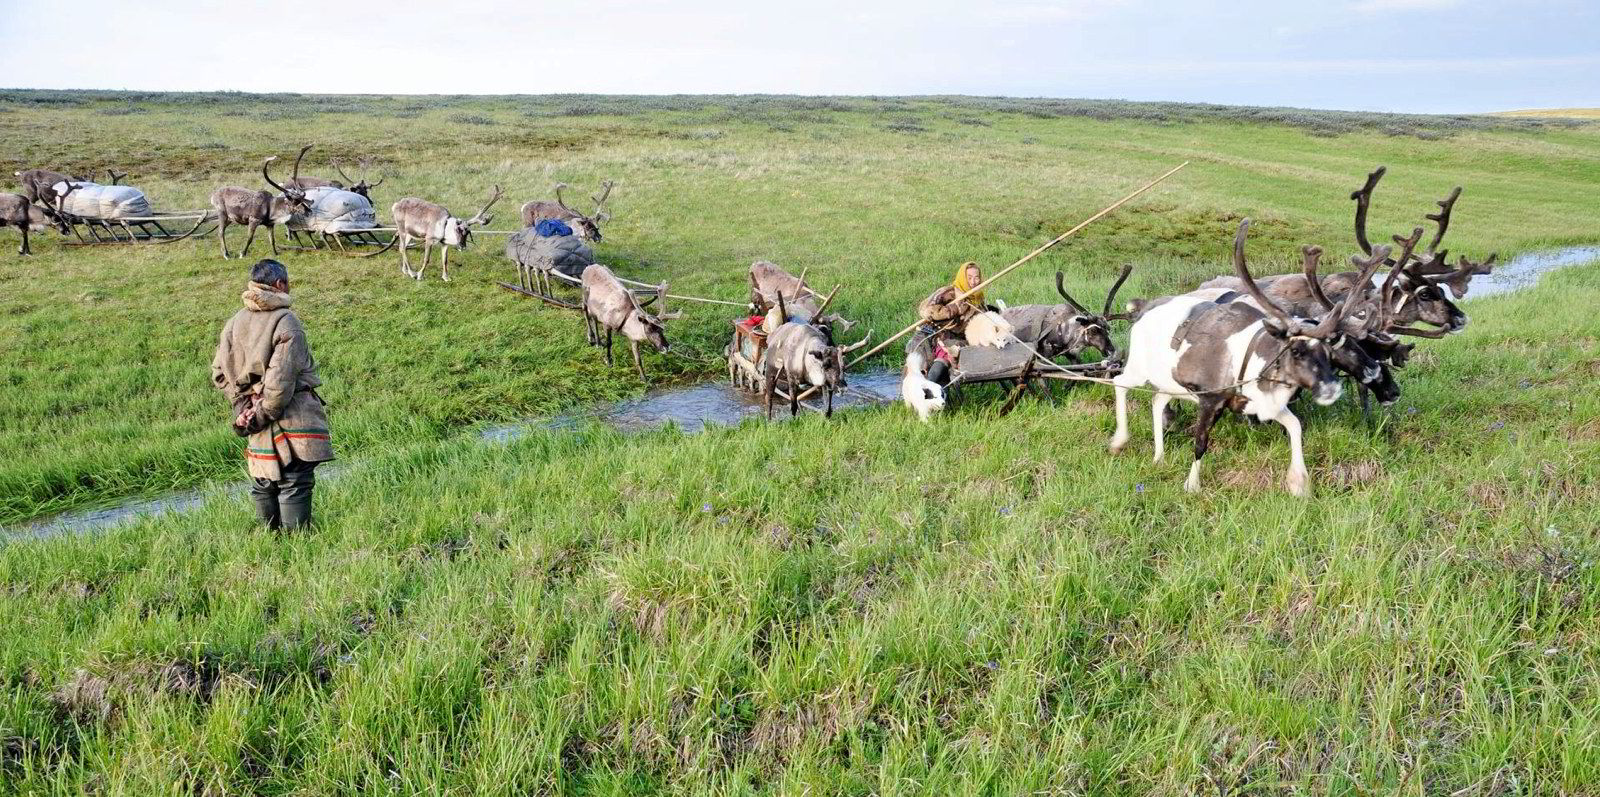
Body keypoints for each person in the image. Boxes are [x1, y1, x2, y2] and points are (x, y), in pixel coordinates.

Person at [211, 259, 333, 529]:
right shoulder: (286, 321)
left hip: (254, 417)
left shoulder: (234, 322)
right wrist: (262, 413)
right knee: (294, 480)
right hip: (291, 416)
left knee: (264, 481)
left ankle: (269, 542)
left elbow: (219, 372)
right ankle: (298, 546)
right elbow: (280, 382)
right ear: (280, 285)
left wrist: (244, 410)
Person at [914, 261, 994, 384]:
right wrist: (952, 310)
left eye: (977, 277)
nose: (973, 282)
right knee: (945, 359)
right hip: (942, 335)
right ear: (963, 278)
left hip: (964, 338)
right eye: (969, 278)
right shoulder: (948, 293)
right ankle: (928, 388)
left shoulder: (978, 297)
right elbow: (925, 310)